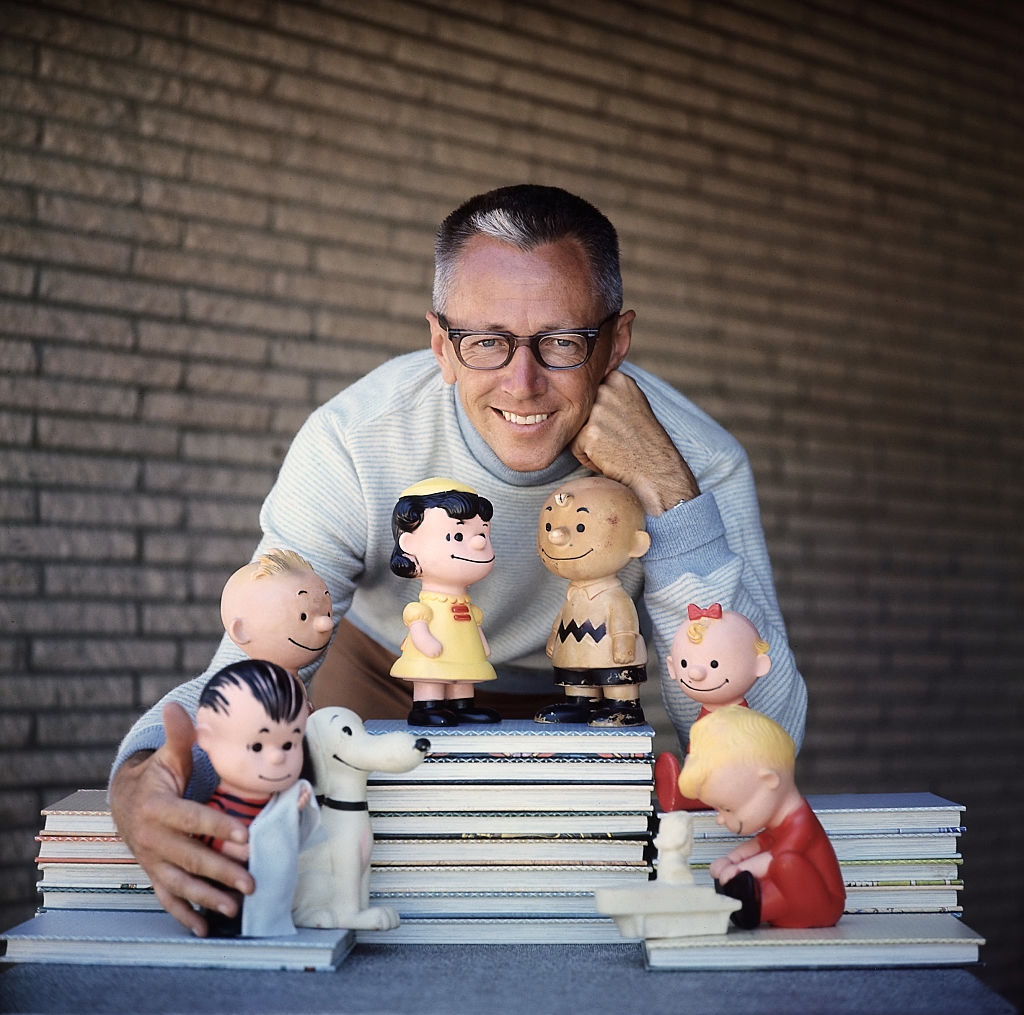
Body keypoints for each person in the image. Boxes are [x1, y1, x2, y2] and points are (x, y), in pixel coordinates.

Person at [109, 183, 807, 936]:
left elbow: (768, 735)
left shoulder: (697, 465)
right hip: (387, 673)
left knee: (549, 924)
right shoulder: (354, 442)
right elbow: (243, 673)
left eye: (563, 340)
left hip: (579, 704)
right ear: (441, 343)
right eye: (487, 340)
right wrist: (141, 774)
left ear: (616, 341)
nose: (523, 379)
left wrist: (670, 496)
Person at [678, 705, 844, 929]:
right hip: (791, 907)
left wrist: (739, 870)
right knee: (779, 864)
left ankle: (754, 907)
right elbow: (761, 844)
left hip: (822, 907)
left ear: (769, 781)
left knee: (786, 863)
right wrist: (733, 859)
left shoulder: (801, 823)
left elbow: (774, 857)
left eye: (729, 809)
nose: (721, 818)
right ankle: (747, 906)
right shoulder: (778, 825)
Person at [190, 659, 318, 937]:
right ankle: (223, 920)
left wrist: (295, 811)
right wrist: (232, 849)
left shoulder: (281, 798)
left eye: (289, 743)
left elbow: (288, 832)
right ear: (207, 738)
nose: (277, 756)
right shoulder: (219, 804)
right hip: (230, 875)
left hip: (271, 888)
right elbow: (205, 834)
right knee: (227, 900)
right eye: (257, 745)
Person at [534, 475, 651, 726]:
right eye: (548, 527)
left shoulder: (614, 596)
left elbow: (623, 620)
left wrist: (623, 641)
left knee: (615, 679)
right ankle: (581, 705)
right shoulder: (572, 593)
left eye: (580, 527)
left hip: (610, 653)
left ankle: (624, 707)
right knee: (576, 678)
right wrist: (555, 636)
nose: (556, 535)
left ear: (636, 543)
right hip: (574, 649)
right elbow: (563, 617)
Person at [389, 477, 501, 726]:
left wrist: (481, 643)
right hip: (432, 652)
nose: (479, 542)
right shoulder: (422, 608)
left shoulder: (470, 608)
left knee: (464, 672)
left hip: (463, 648)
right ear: (410, 545)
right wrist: (425, 642)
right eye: (458, 536)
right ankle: (427, 706)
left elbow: (476, 628)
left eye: (483, 532)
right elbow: (419, 628)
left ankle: (462, 706)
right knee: (431, 675)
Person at [220, 548, 334, 675]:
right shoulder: (259, 685)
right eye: (303, 616)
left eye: (327, 613)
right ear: (242, 630)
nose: (326, 623)